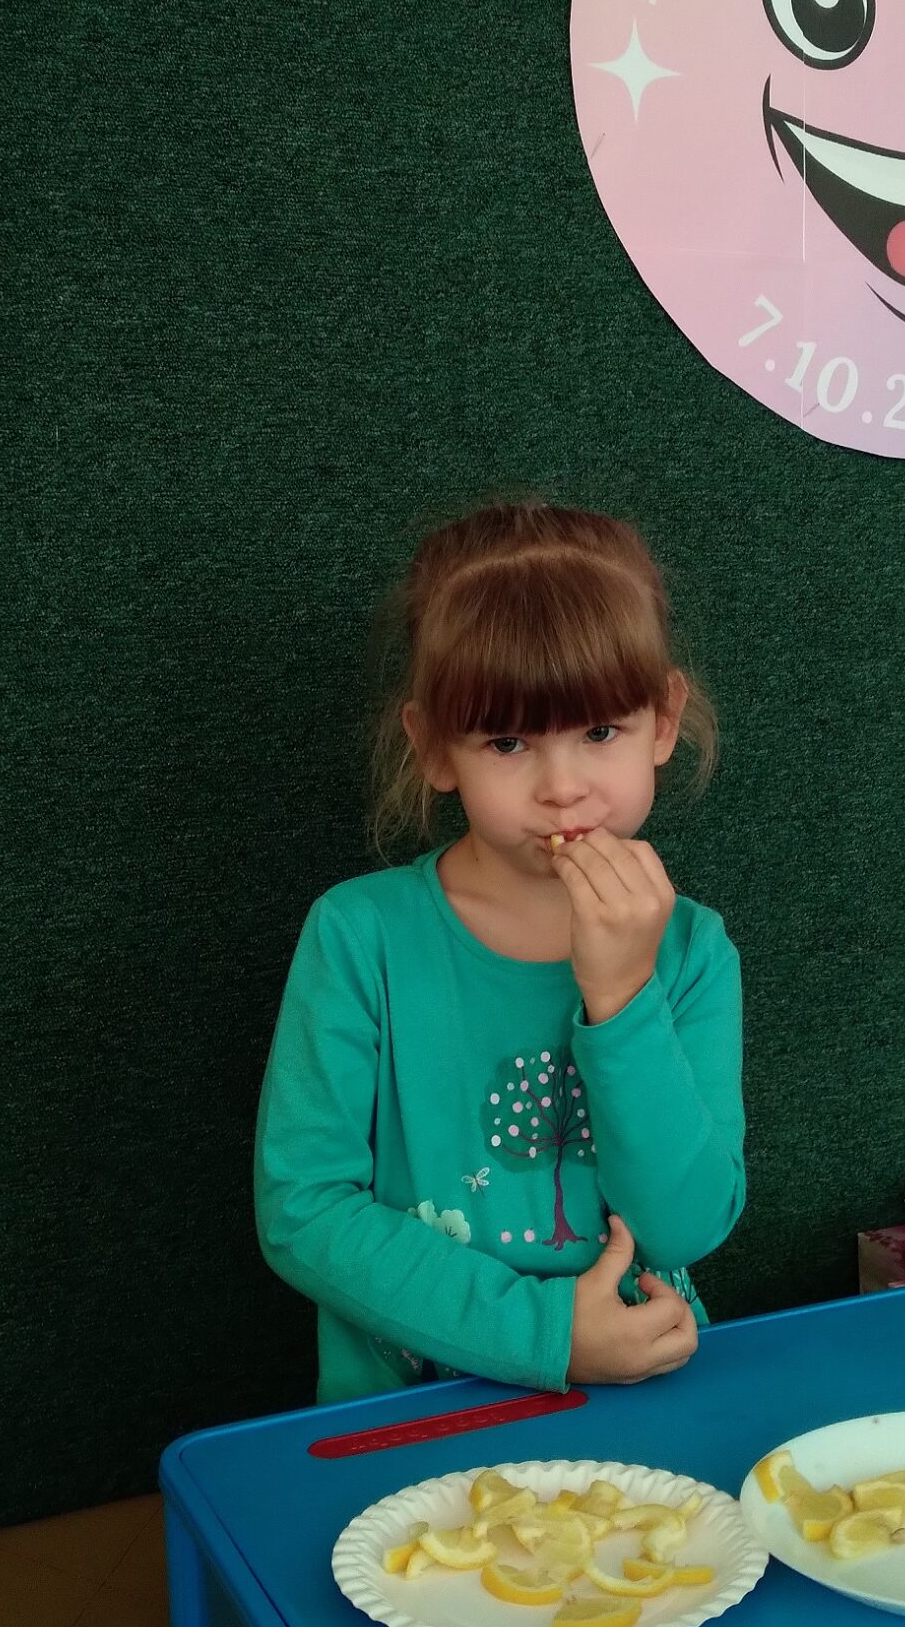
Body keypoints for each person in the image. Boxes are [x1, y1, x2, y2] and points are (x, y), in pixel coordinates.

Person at [253, 498, 745, 1403]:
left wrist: (622, 999)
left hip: (641, 1395)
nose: (563, 788)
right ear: (436, 749)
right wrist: (544, 1335)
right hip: (417, 1412)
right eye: (508, 742)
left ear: (665, 721)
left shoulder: (692, 950)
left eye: (600, 732)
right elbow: (304, 1211)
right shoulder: (361, 934)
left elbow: (685, 1228)